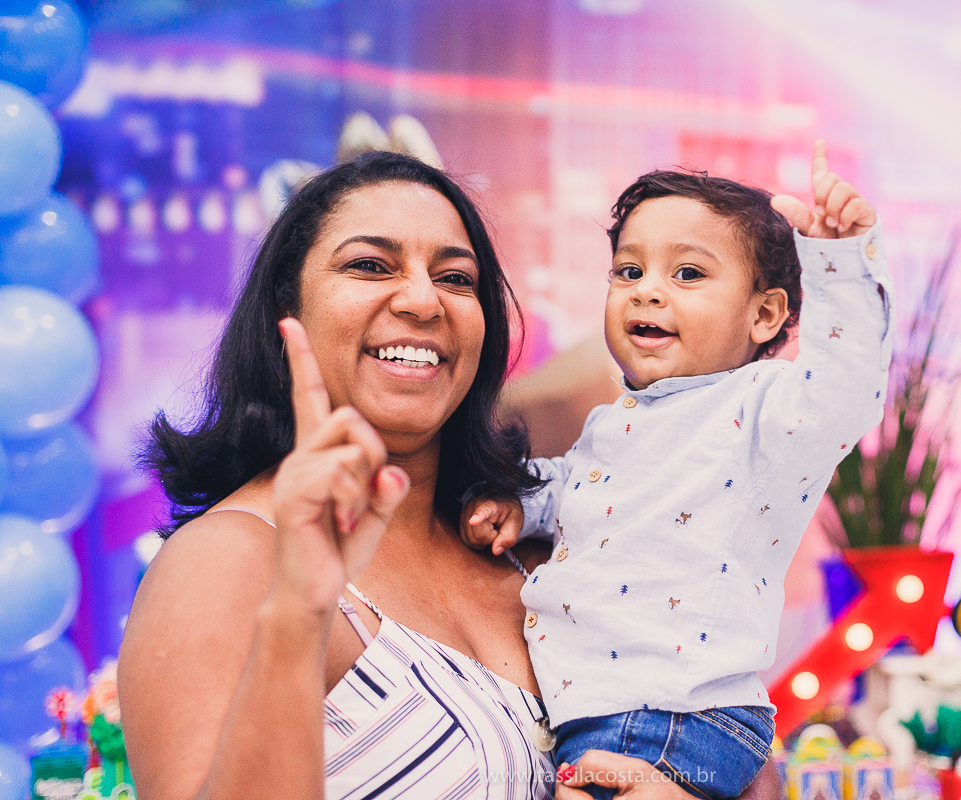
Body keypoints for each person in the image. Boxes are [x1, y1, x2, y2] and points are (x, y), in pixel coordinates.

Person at [118, 151, 781, 800]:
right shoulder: (229, 557)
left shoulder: (535, 542)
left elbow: (740, 761)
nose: (420, 299)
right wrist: (299, 611)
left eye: (457, 278)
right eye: (370, 265)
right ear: (284, 311)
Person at [460, 142, 892, 800]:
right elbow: (590, 490)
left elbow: (846, 387)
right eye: (628, 272)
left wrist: (837, 265)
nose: (648, 291)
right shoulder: (620, 421)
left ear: (765, 315)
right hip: (630, 716)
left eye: (687, 274)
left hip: (667, 719)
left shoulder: (762, 407)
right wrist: (531, 506)